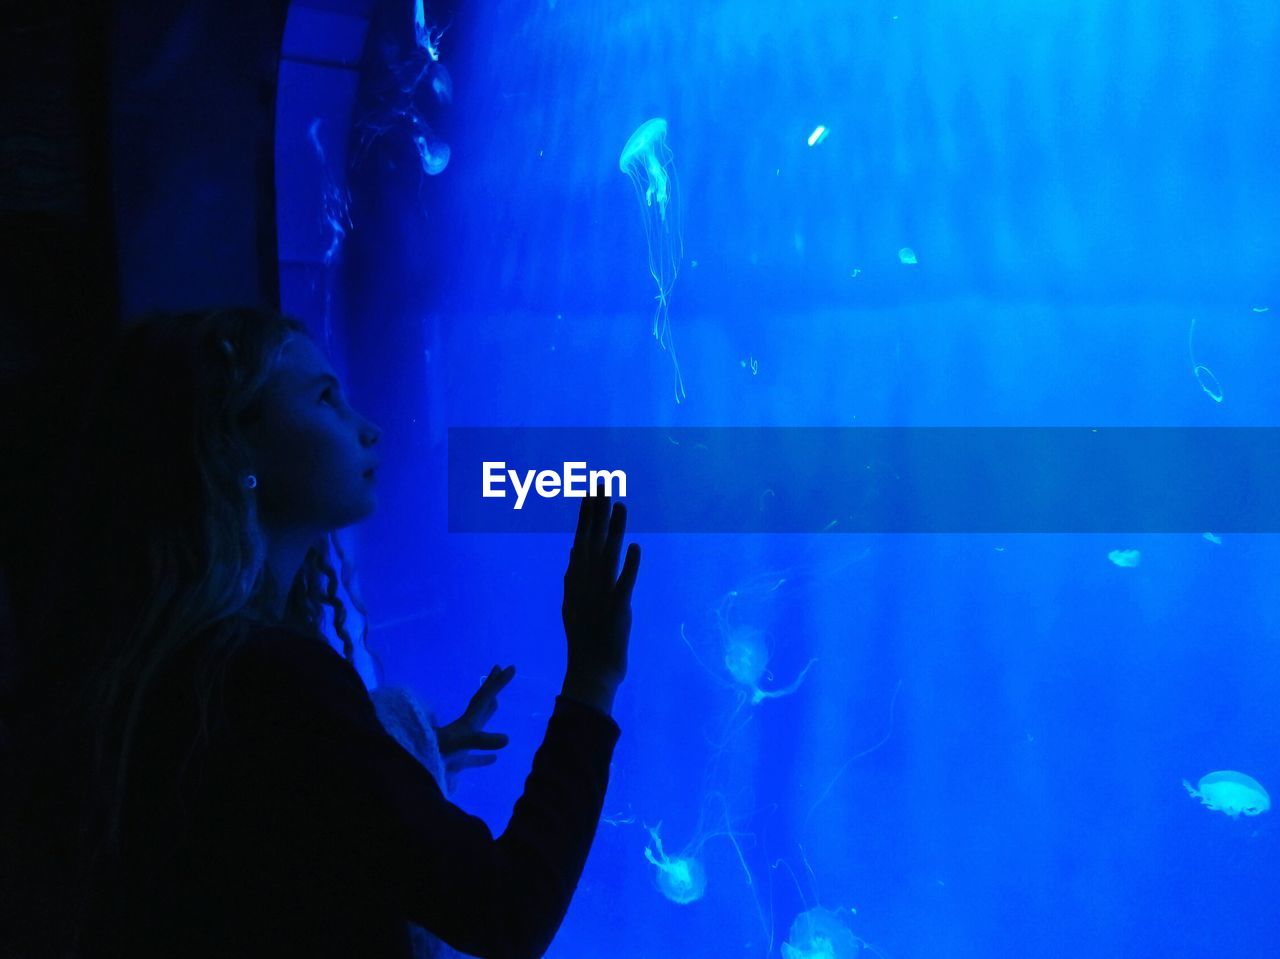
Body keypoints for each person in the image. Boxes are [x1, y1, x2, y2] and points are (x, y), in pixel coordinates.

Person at [0, 307, 641, 959]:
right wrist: (593, 676)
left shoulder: (179, 664)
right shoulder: (267, 678)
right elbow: (508, 909)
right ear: (234, 444)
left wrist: (396, 759)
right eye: (326, 398)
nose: (368, 430)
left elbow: (283, 820)